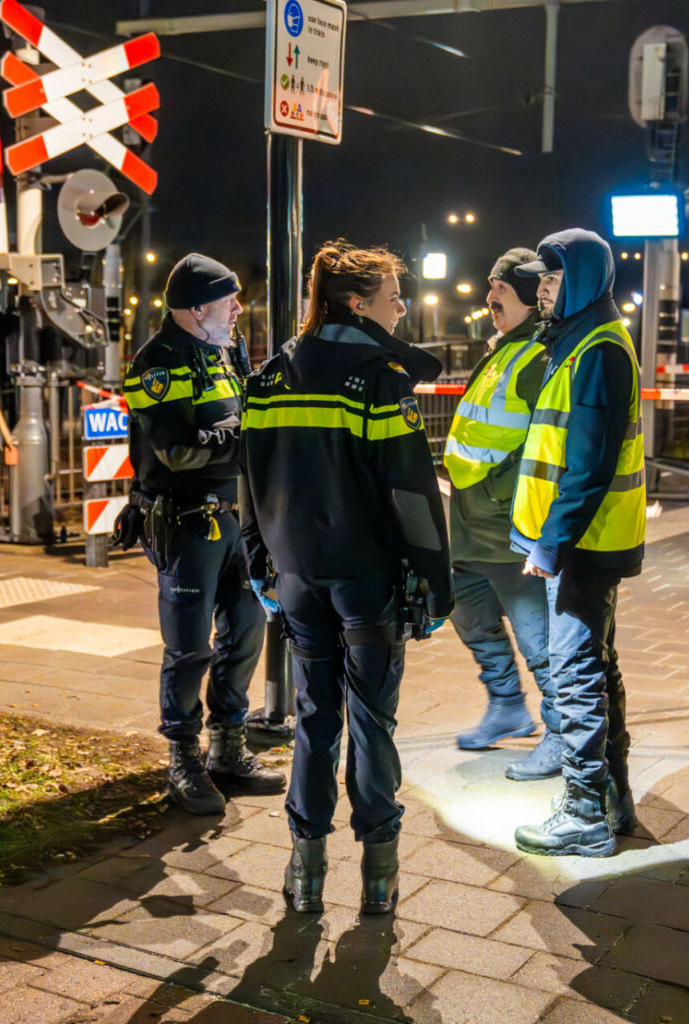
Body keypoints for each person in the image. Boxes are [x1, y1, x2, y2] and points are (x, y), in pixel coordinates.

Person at [240, 240, 452, 915]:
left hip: (298, 581)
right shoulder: (376, 380)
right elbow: (413, 496)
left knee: (314, 719)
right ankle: (380, 876)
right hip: (366, 583)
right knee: (371, 723)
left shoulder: (269, 375)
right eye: (394, 296)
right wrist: (435, 582)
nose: (403, 307)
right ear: (359, 304)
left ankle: (305, 871)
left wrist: (260, 559)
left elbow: (249, 483)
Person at [115, 253, 284, 816]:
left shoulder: (224, 350)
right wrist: (251, 440)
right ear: (195, 308)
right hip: (185, 521)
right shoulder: (157, 361)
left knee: (246, 630)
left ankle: (227, 747)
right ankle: (182, 757)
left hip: (234, 519)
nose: (239, 307)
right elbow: (178, 449)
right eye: (228, 299)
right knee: (189, 647)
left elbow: (238, 417)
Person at [507, 228, 645, 859]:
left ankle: (585, 813)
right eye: (541, 279)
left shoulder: (597, 350)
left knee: (575, 671)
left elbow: (587, 467)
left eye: (555, 279)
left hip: (582, 543)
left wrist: (549, 543)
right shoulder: (580, 342)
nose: (542, 289)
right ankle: (613, 799)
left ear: (584, 281)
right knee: (596, 664)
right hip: (586, 540)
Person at [444, 248, 555, 769]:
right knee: (469, 616)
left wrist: (503, 499)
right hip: (469, 525)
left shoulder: (538, 355)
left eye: (501, 289)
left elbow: (546, 443)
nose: (489, 298)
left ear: (531, 296)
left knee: (540, 639)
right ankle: (508, 707)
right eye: (490, 286)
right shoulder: (504, 348)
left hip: (506, 529)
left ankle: (561, 733)